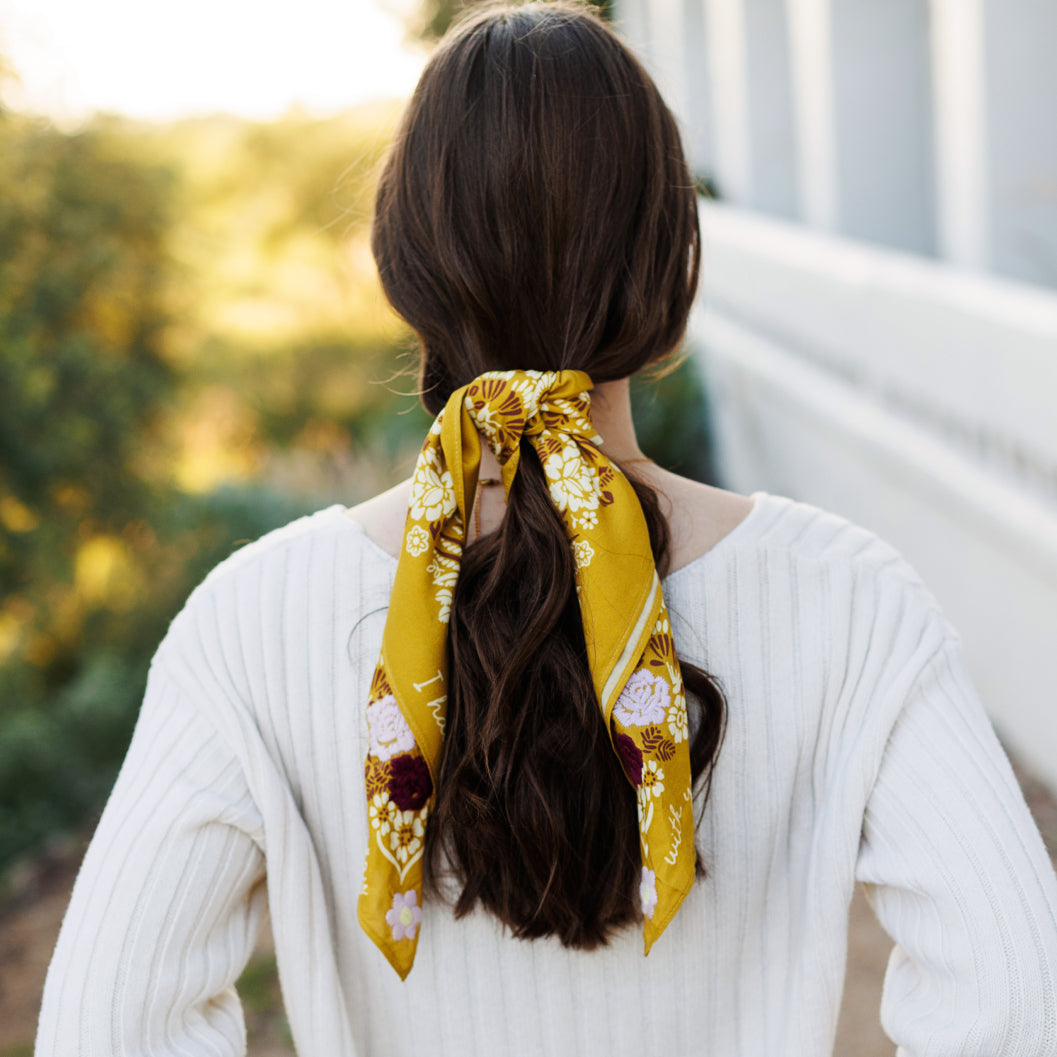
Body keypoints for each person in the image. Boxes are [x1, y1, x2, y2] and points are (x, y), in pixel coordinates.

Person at [35, 2, 1057, 1054]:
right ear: (673, 265)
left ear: (404, 267)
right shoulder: (851, 601)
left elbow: (108, 1024)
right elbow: (1016, 1001)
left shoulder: (249, 622)